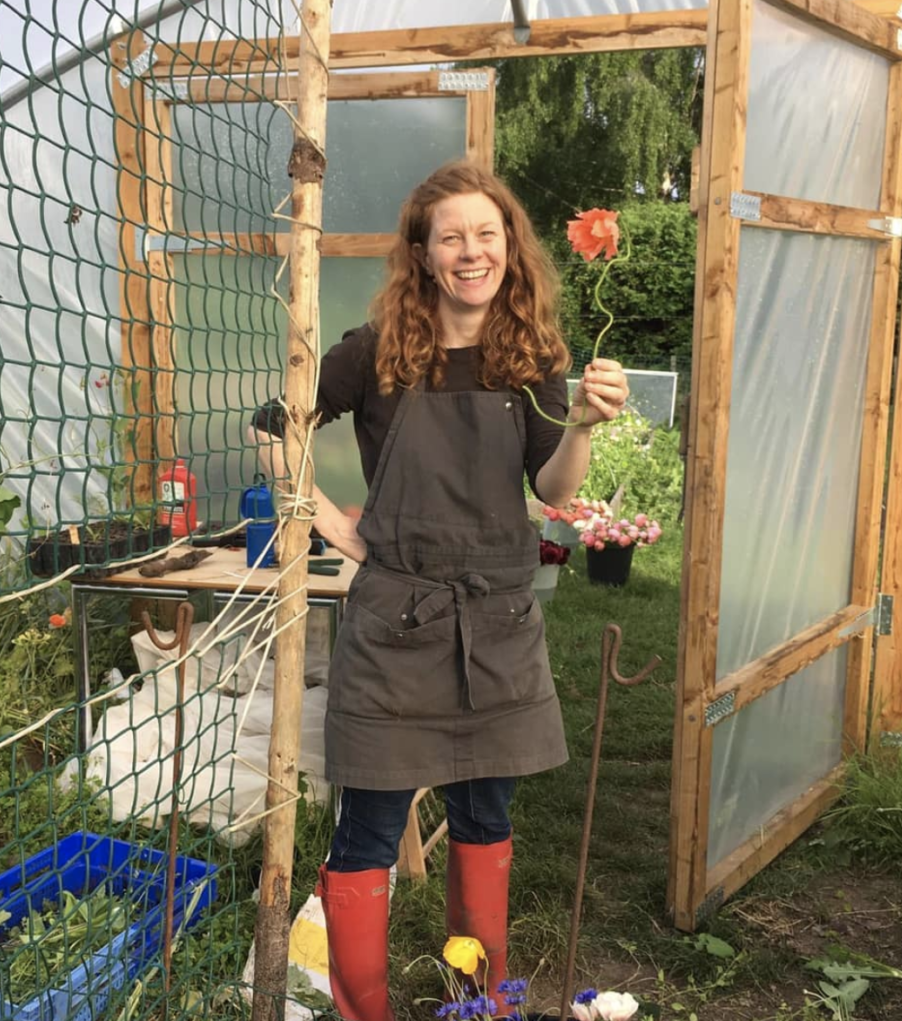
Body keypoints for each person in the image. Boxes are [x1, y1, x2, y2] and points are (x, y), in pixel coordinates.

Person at [250, 161, 628, 1021]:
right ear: (422, 254)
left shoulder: (532, 357)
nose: (471, 251)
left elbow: (557, 490)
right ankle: (363, 1011)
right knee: (369, 833)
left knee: (484, 824)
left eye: (486, 235)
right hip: (395, 626)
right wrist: (331, 526)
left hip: (497, 622)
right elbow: (273, 427)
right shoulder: (375, 350)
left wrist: (588, 430)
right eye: (450, 236)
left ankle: (476, 1001)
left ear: (508, 248)